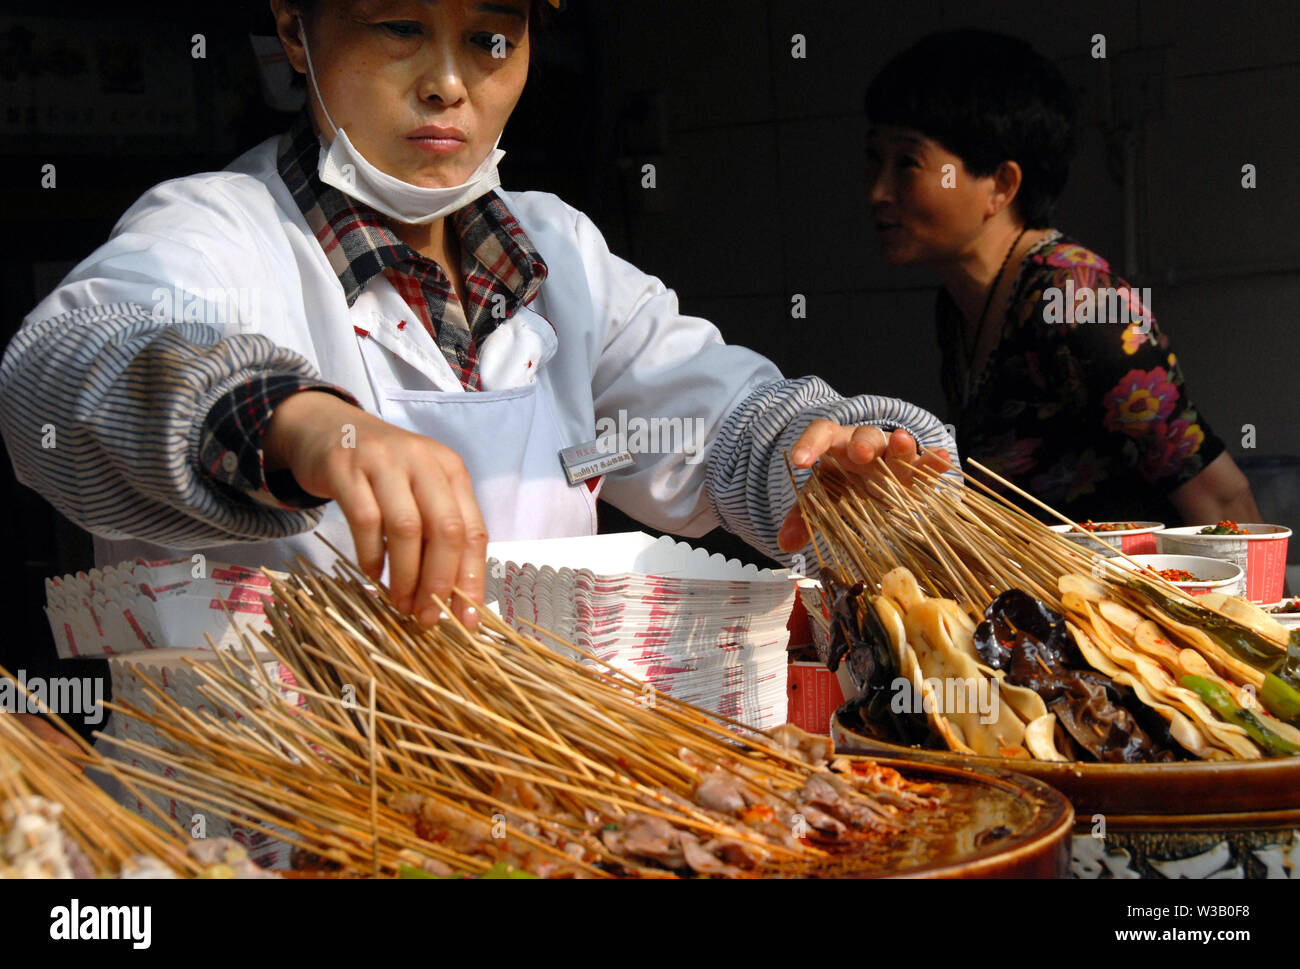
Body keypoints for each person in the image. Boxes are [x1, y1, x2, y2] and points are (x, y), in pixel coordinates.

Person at [0, 0, 956, 642]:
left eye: (492, 39)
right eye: (399, 28)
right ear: (296, 34)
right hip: (260, 827)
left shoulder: (557, 253)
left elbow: (713, 426)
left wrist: (817, 459)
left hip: (531, 808)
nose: (448, 84)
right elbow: (61, 370)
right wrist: (292, 421)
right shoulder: (215, 230)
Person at [864, 29, 1261, 527]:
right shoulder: (963, 303)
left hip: (1135, 598)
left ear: (1001, 185)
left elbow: (1223, 503)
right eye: (874, 159)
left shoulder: (1077, 301)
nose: (878, 191)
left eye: (907, 163)